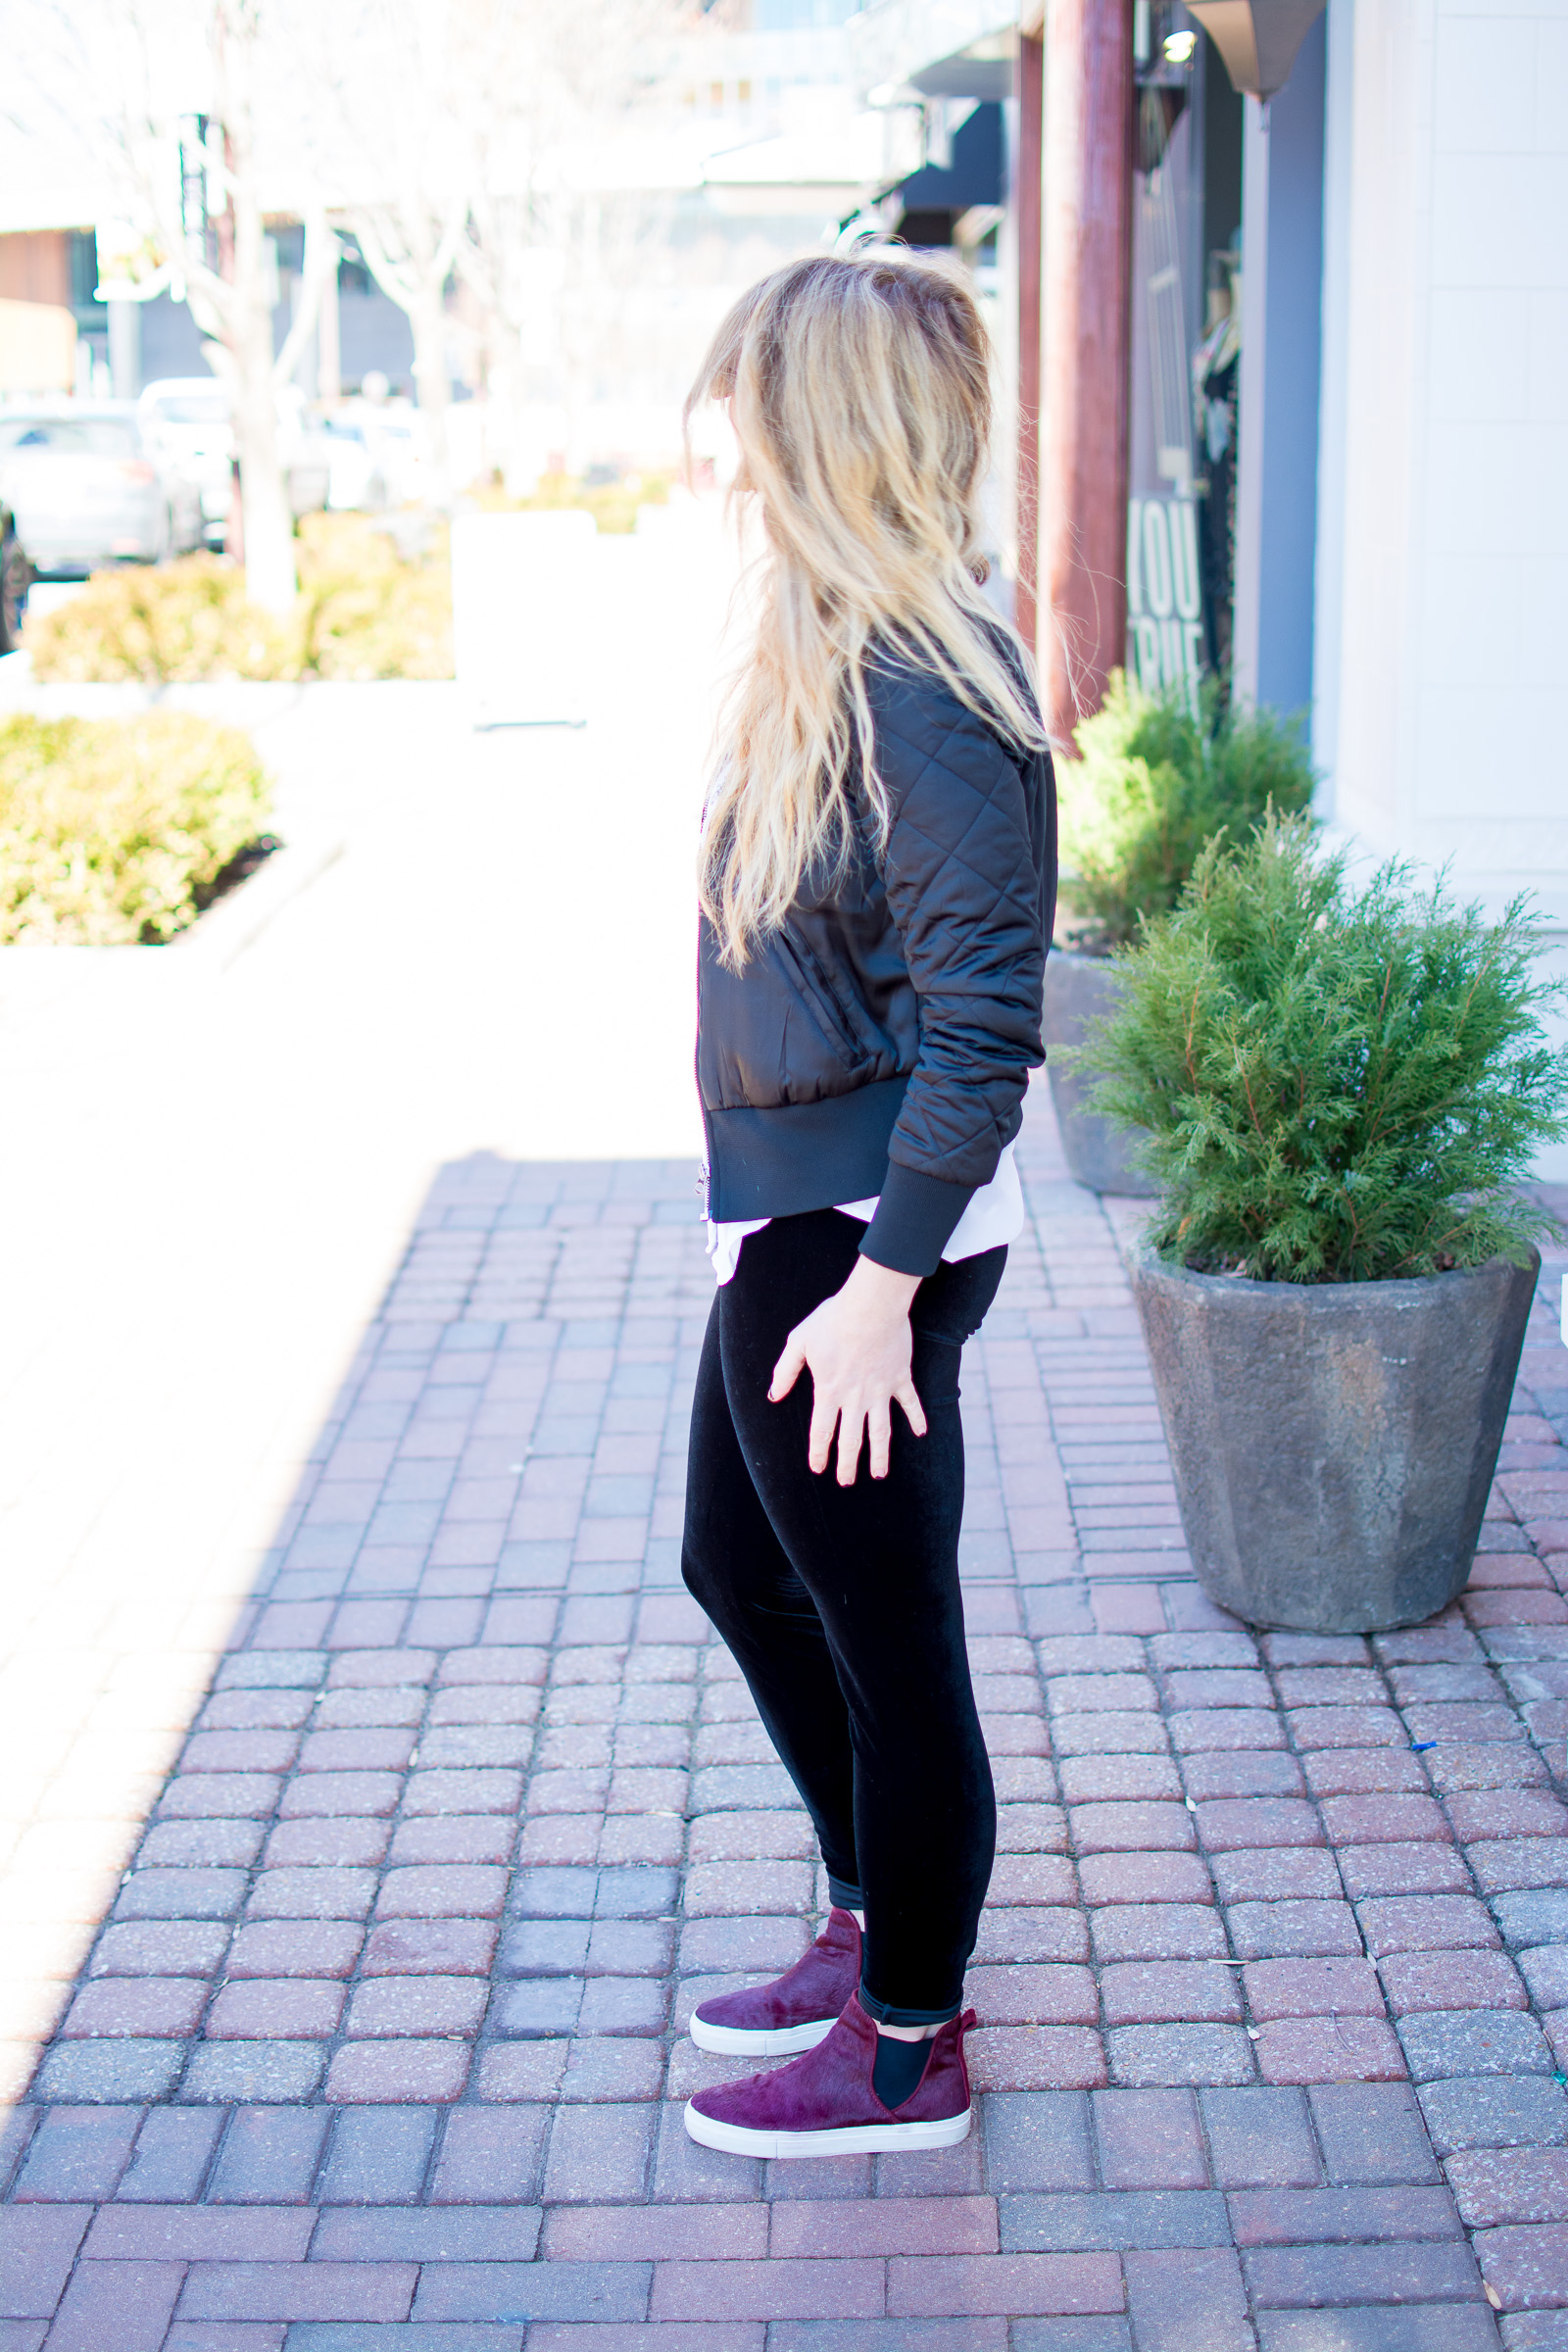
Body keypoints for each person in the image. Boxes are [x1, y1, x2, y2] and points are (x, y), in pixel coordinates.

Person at [679, 250, 1056, 2158]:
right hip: (800, 1218)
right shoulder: (835, 642)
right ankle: (860, 1918)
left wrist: (882, 1285)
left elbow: (990, 1020)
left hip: (859, 1245)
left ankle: (905, 2041)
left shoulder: (917, 676)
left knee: (891, 1648)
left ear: (825, 428)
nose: (727, 446)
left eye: (753, 407)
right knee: (735, 1569)